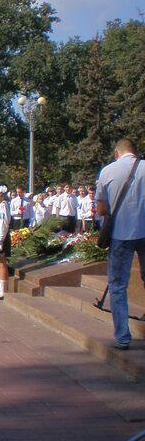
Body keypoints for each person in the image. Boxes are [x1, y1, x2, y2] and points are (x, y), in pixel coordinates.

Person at [96, 138, 145, 351]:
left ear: (117, 153)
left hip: (120, 234)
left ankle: (123, 337)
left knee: (118, 286)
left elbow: (100, 209)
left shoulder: (108, 171)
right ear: (135, 152)